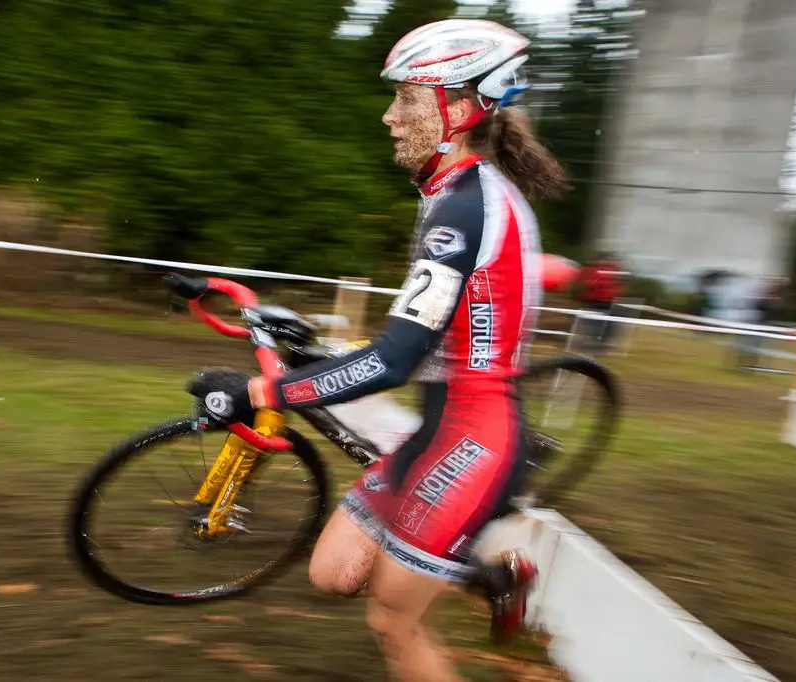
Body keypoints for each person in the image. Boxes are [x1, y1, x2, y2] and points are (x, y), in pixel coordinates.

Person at [187, 18, 567, 682]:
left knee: (393, 623)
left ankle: (474, 575)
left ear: (459, 108)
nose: (391, 116)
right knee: (333, 574)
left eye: (408, 100)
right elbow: (418, 337)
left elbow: (394, 358)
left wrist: (258, 393)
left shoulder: (464, 209)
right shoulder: (451, 194)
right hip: (438, 434)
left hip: (476, 440)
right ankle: (494, 574)